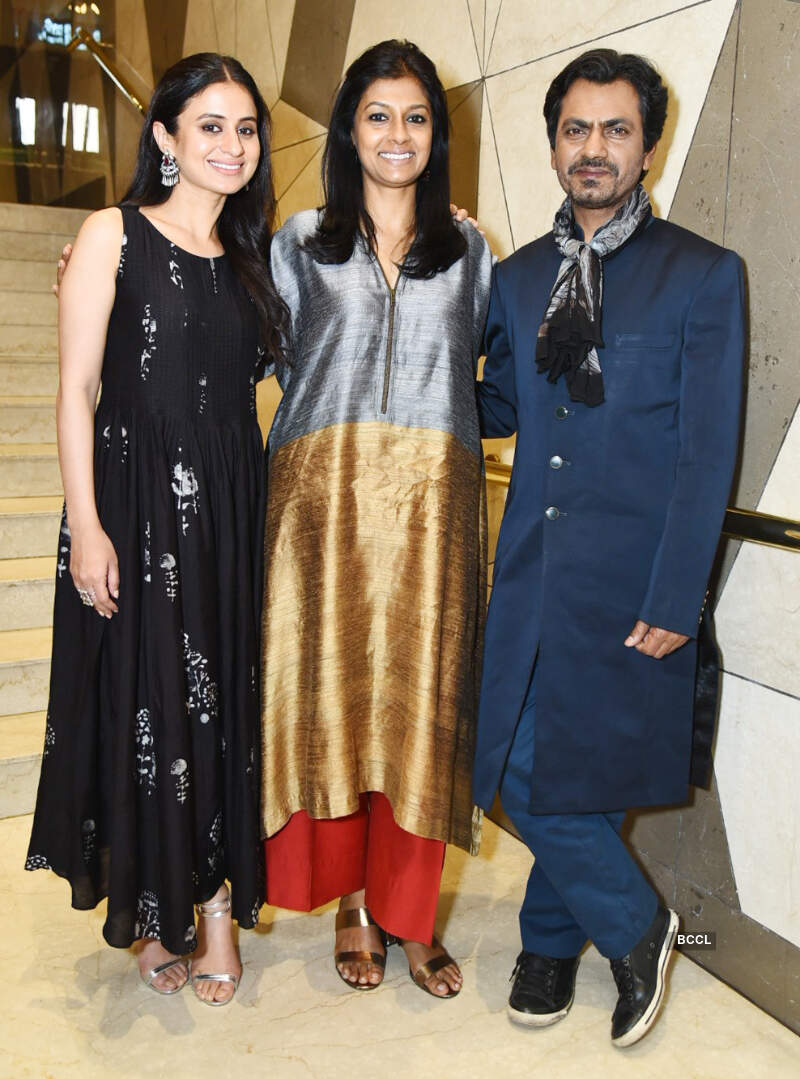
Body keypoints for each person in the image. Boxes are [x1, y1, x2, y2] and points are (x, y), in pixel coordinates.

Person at [473, 49, 745, 1046]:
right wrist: (406, 354)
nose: (593, 148)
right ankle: (633, 923)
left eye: (615, 129)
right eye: (575, 129)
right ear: (554, 146)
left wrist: (678, 596)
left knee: (579, 767)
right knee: (509, 759)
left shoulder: (701, 274)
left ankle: (549, 944)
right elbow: (498, 403)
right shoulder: (515, 279)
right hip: (530, 577)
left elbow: (706, 451)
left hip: (633, 579)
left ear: (646, 147)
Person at [25, 53, 287, 1006]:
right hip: (133, 511)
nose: (232, 145)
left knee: (221, 713)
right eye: (210, 125)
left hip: (229, 512)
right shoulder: (113, 233)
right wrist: (87, 526)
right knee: (149, 705)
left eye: (246, 128)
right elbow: (77, 390)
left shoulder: (259, 259)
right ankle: (152, 907)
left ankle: (215, 910)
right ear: (166, 137)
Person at [260, 39, 492, 998]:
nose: (399, 134)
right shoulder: (298, 240)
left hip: (434, 509)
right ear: (349, 131)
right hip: (321, 506)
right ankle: (354, 901)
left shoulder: (470, 250)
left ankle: (411, 913)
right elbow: (246, 346)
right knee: (335, 699)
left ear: (437, 135)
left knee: (421, 704)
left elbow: (489, 366)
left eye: (417, 116)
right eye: (379, 115)